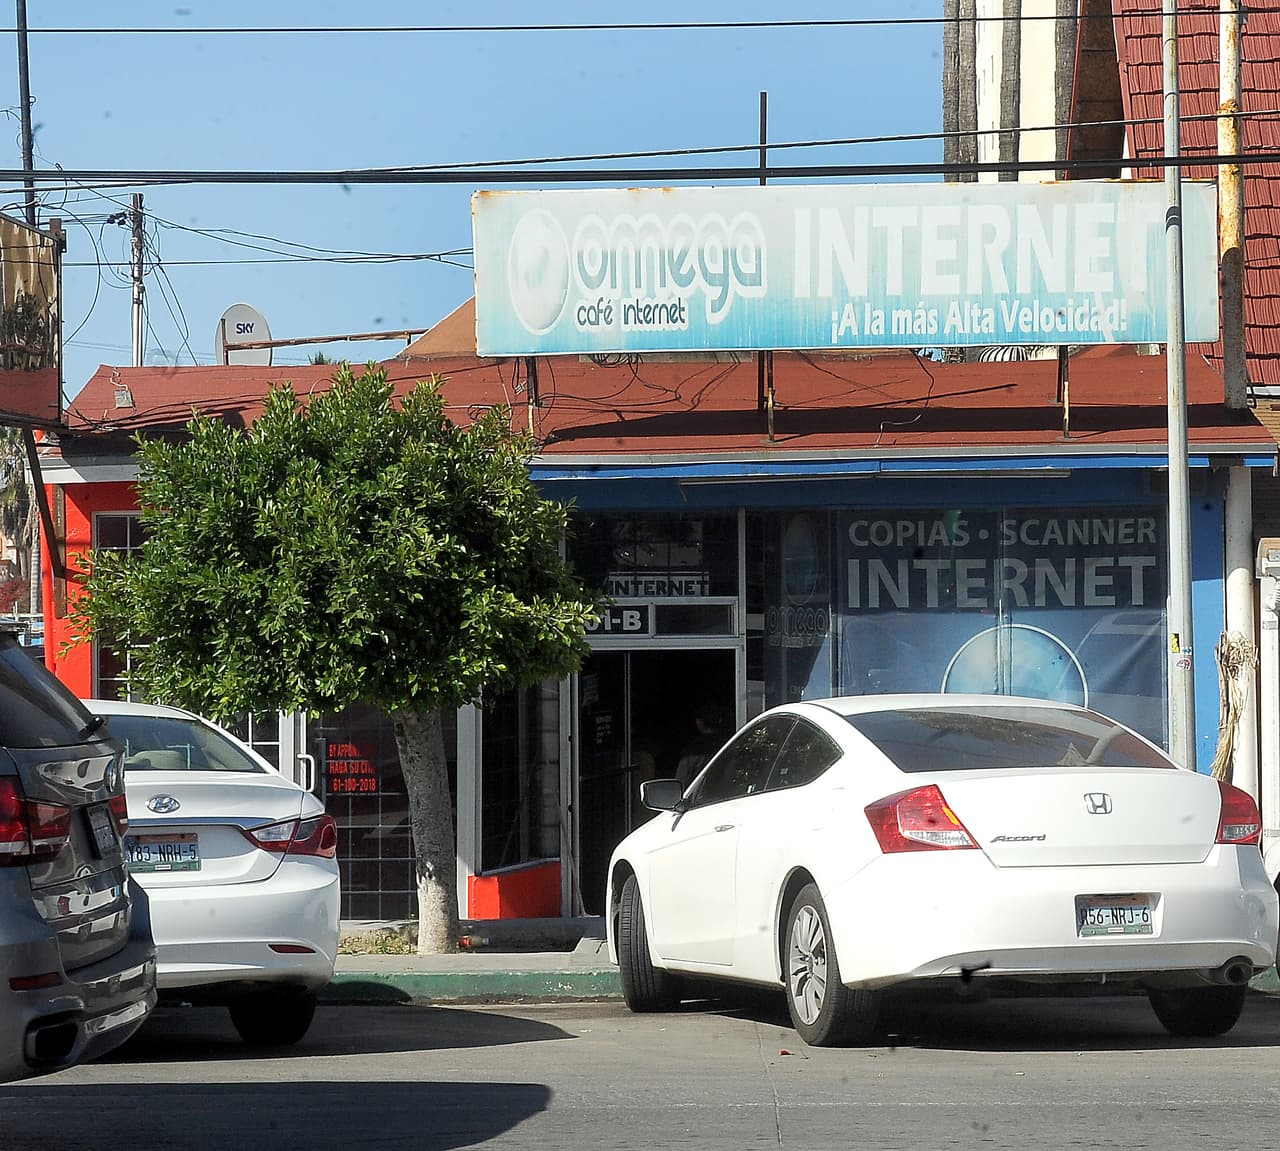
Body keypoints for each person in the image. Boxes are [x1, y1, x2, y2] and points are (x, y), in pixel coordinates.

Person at [675, 704, 724, 789]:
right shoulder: (731, 744)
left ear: (698, 722)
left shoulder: (692, 751)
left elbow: (681, 784)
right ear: (720, 720)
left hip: (702, 800)